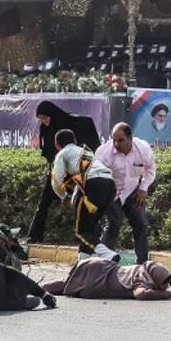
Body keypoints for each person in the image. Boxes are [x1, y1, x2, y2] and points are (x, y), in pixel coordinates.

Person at [28, 101, 101, 243]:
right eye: (41, 119)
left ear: (52, 115)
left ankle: (92, 237)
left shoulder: (77, 124)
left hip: (77, 172)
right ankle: (34, 236)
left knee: (85, 203)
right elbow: (47, 151)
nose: (44, 121)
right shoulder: (45, 129)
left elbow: (89, 148)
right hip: (58, 170)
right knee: (44, 203)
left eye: (45, 117)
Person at [51, 128, 118, 261]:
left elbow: (56, 181)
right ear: (75, 141)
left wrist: (64, 197)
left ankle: (107, 254)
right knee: (90, 228)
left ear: (57, 145)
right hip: (110, 185)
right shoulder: (86, 152)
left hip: (93, 184)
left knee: (81, 231)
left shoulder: (62, 153)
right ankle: (82, 262)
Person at [95, 122, 156, 264]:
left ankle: (142, 265)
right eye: (114, 140)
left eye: (121, 140)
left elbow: (151, 168)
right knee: (113, 224)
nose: (116, 144)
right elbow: (95, 176)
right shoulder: (103, 153)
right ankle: (104, 264)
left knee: (141, 224)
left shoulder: (143, 149)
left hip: (133, 190)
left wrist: (143, 188)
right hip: (110, 191)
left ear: (130, 138)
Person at [42, 257, 171, 300]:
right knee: (70, 285)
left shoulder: (142, 269)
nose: (165, 286)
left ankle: (40, 289)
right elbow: (141, 294)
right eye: (163, 282)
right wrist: (165, 294)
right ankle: (39, 289)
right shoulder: (143, 277)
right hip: (101, 275)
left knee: (68, 284)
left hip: (101, 267)